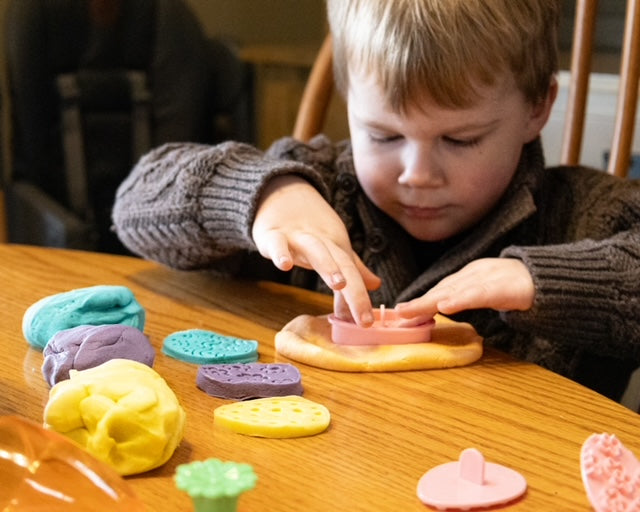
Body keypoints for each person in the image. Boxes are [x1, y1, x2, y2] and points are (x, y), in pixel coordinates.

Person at [112, 0, 640, 403]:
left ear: (537, 108)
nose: (417, 174)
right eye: (384, 136)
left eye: (460, 141)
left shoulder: (588, 217)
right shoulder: (317, 189)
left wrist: (545, 282)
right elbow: (135, 205)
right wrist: (259, 198)